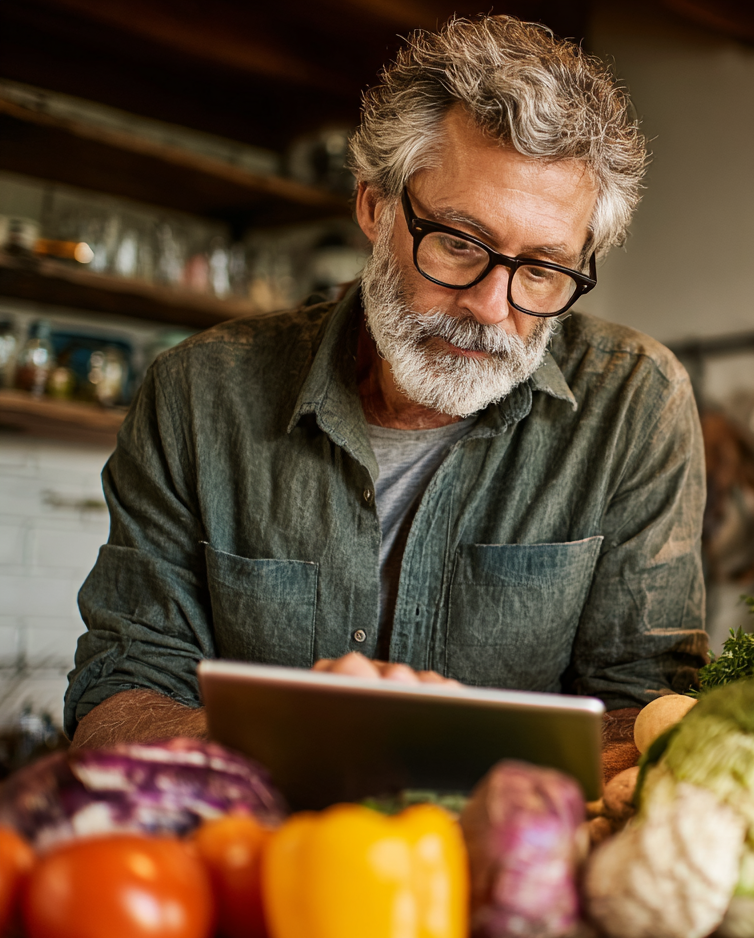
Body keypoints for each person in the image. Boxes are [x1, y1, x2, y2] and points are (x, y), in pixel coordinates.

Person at [65, 16, 708, 753]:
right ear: (375, 206)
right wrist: (299, 731)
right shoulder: (197, 394)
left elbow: (653, 710)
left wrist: (425, 746)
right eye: (460, 244)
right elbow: (120, 690)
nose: (492, 309)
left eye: (542, 269)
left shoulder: (635, 401)